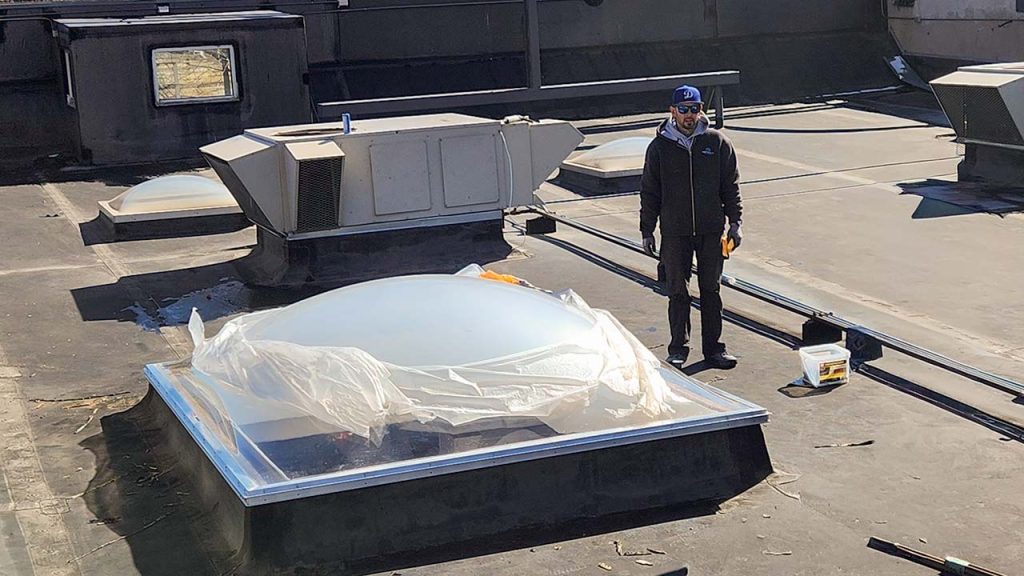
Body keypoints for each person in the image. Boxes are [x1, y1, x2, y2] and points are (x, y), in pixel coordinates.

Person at [640, 85, 743, 370]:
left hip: (711, 230)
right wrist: (647, 230)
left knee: (711, 291)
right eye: (683, 109)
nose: (689, 115)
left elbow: (730, 187)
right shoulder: (659, 147)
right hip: (675, 232)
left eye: (694, 109)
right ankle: (678, 348)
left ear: (701, 110)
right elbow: (649, 191)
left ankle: (714, 350)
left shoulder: (717, 143)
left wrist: (735, 223)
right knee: (678, 291)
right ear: (672, 111)